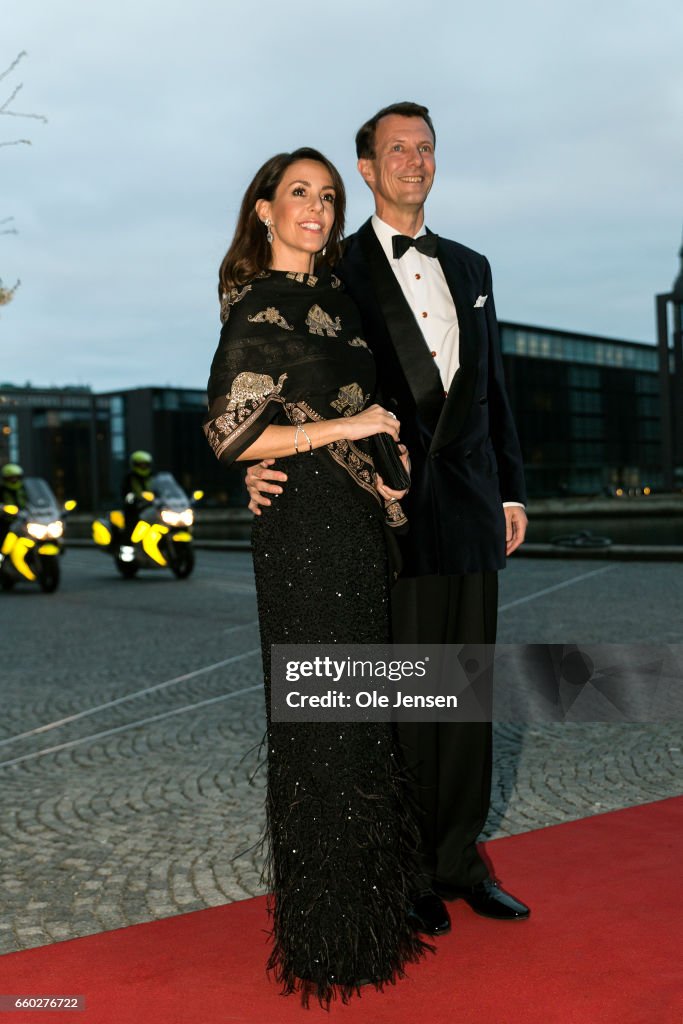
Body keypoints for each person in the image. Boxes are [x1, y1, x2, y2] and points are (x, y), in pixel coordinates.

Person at [247, 103, 530, 937]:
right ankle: (404, 865)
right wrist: (262, 464)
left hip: (474, 509)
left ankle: (457, 860)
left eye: (425, 147)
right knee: (405, 697)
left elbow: (494, 391)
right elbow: (279, 377)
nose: (414, 159)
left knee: (466, 693)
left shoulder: (473, 266)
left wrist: (510, 491)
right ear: (365, 168)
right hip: (388, 511)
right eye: (395, 148)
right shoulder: (333, 270)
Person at [203, 147, 426, 1004]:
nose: (317, 208)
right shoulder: (257, 302)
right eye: (299, 193)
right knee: (322, 729)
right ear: (262, 209)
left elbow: (338, 408)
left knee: (360, 718)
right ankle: (327, 941)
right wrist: (342, 430)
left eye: (327, 197)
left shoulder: (336, 297)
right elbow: (228, 433)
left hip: (356, 527)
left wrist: (380, 438)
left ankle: (368, 920)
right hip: (302, 535)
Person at [120, 450, 154, 541]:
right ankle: (129, 546)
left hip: (152, 507)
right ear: (135, 465)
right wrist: (132, 498)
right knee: (131, 526)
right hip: (135, 508)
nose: (144, 467)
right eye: (141, 464)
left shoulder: (153, 476)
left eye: (145, 464)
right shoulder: (129, 477)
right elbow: (125, 493)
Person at [1, 463, 27, 549]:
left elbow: (33, 500)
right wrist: (3, 508)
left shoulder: (23, 489)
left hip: (23, 520)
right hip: (6, 520)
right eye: (11, 478)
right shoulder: (2, 490)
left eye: (16, 477)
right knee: (3, 539)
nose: (14, 480)